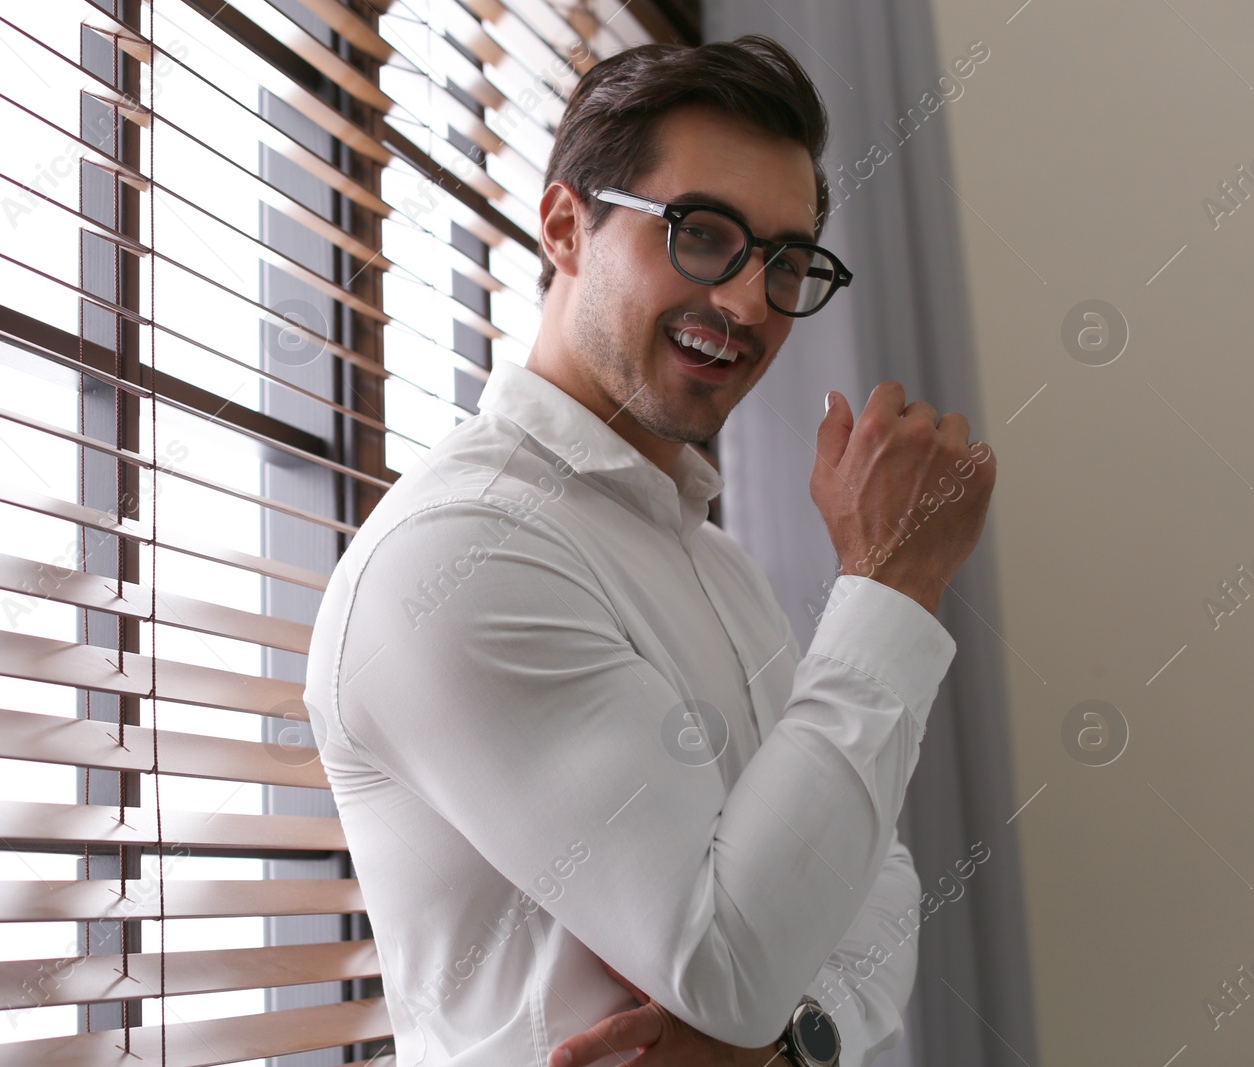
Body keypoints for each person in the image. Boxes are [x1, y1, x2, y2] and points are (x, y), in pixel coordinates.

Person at [303, 33, 996, 1067]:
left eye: (786, 260)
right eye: (702, 234)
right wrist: (892, 581)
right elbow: (726, 964)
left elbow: (874, 884)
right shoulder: (458, 551)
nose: (749, 302)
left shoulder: (717, 565)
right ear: (563, 226)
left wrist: (794, 1047)